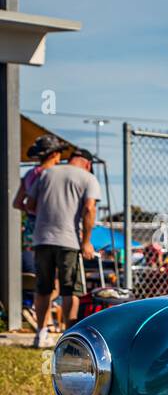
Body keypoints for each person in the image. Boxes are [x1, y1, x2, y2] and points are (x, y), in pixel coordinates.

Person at [29, 148, 99, 348]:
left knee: (43, 288)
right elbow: (89, 208)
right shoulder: (87, 178)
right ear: (88, 164)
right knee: (71, 290)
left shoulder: (46, 173)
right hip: (69, 241)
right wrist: (86, 241)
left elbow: (30, 204)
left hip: (42, 239)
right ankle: (70, 338)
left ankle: (40, 334)